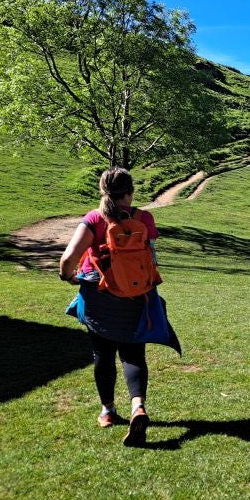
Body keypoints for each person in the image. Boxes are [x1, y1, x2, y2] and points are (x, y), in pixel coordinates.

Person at [59, 167, 159, 447]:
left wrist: (69, 277)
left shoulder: (94, 219)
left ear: (103, 190)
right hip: (136, 294)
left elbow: (68, 260)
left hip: (98, 294)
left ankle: (107, 411)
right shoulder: (144, 218)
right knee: (133, 353)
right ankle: (138, 406)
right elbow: (150, 254)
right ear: (130, 191)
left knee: (102, 353)